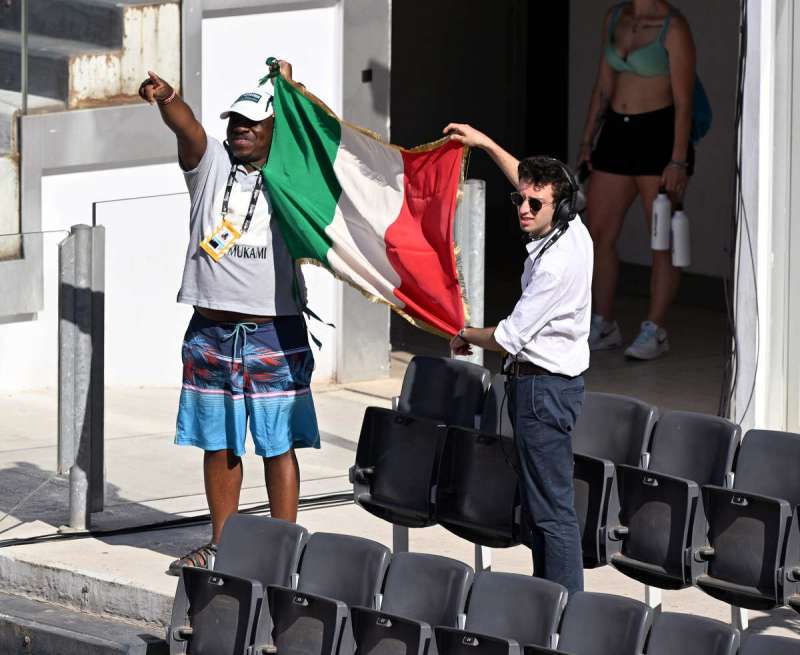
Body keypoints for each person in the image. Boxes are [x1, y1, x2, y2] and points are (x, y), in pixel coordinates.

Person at [138, 61, 321, 575]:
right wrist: (167, 97)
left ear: (272, 132)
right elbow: (188, 126)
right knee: (219, 442)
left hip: (274, 331)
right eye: (234, 121)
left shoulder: (292, 177)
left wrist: (287, 89)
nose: (239, 129)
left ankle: (285, 550)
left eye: (252, 123)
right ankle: (224, 545)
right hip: (211, 332)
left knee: (278, 444)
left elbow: (316, 137)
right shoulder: (210, 164)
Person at [444, 123, 592, 596]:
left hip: (543, 392)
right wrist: (486, 143)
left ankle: (565, 611)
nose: (523, 209)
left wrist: (463, 332)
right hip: (540, 389)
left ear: (560, 206)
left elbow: (508, 338)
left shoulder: (557, 264)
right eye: (519, 201)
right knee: (540, 507)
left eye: (534, 204)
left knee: (551, 511)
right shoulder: (569, 224)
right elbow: (526, 179)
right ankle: (548, 598)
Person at [578, 0, 696, 360]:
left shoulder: (673, 27)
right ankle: (603, 322)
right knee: (598, 232)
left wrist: (677, 159)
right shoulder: (615, 16)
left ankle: (655, 328)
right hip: (616, 133)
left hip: (658, 135)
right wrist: (587, 141)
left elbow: (684, 101)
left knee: (660, 237)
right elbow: (603, 85)